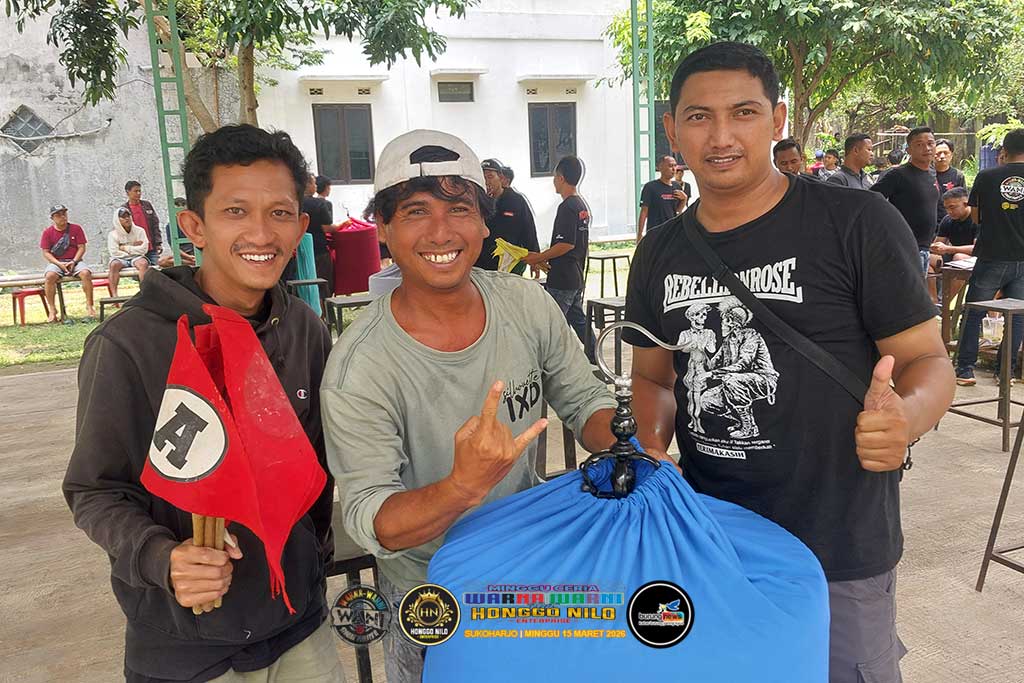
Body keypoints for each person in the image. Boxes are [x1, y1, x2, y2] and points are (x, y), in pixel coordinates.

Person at [626, 41, 954, 683]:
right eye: (699, 117)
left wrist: (907, 418)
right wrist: (652, 443)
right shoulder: (659, 252)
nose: (721, 136)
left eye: (743, 113)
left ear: (777, 119)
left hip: (838, 543)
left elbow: (927, 360)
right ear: (672, 129)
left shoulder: (855, 221)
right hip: (711, 534)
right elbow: (653, 377)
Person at [320, 129, 621, 683]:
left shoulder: (525, 303)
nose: (441, 232)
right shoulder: (359, 367)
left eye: (459, 209)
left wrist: (629, 448)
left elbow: (585, 400)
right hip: (432, 594)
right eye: (416, 211)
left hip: (532, 572)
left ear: (485, 223)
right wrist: (462, 486)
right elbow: (373, 520)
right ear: (382, 227)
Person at [63, 124, 343, 683]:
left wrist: (313, 559)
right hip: (185, 648)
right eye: (235, 211)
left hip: (299, 626)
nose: (260, 232)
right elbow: (95, 490)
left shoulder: (304, 330)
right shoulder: (130, 344)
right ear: (195, 226)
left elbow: (317, 467)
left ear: (300, 227)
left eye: (280, 213)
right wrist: (161, 558)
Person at [954, 128, 1024, 386]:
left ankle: (965, 370)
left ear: (1004, 150)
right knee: (1017, 316)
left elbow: (976, 217)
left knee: (975, 311)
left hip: (992, 255)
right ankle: (1005, 373)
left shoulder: (986, 176)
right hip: (1023, 259)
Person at [522, 155, 595, 361]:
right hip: (575, 274)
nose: (553, 181)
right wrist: (545, 259)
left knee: (553, 324)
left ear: (561, 178)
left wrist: (539, 257)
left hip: (563, 278)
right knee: (578, 320)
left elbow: (566, 244)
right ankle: (595, 356)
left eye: (555, 177)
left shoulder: (567, 207)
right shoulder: (581, 205)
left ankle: (553, 365)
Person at [871, 127, 941, 274]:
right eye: (919, 144)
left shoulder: (932, 173)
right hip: (903, 249)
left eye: (930, 143)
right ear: (909, 150)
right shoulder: (898, 175)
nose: (926, 148)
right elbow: (871, 199)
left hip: (924, 249)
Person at [475, 158, 541, 274]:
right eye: (483, 178)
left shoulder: (516, 200)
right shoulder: (477, 201)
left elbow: (529, 229)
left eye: (490, 177)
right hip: (482, 265)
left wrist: (536, 257)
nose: (486, 182)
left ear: (500, 178)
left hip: (511, 264)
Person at [40, 204, 97, 321]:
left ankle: (90, 305)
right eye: (58, 215)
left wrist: (74, 261)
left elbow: (81, 247)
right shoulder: (47, 232)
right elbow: (46, 252)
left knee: (85, 273)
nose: (62, 217)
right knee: (50, 276)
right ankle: (52, 309)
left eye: (64, 214)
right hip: (57, 262)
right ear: (52, 218)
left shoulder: (76, 228)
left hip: (75, 260)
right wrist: (59, 264)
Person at [637, 155, 690, 240]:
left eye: (675, 165)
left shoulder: (677, 186)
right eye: (670, 166)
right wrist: (639, 234)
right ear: (660, 167)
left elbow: (677, 211)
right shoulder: (650, 187)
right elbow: (644, 212)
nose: (673, 169)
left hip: (672, 232)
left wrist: (684, 200)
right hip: (655, 232)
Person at [301, 173, 335, 297]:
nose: (316, 186)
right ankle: (323, 308)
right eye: (314, 183)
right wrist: (342, 225)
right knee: (323, 284)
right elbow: (327, 228)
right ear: (308, 184)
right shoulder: (319, 204)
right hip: (319, 249)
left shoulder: (294, 203)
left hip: (299, 250)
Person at [107, 207, 150, 297]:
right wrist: (133, 249)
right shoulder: (112, 234)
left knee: (143, 263)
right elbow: (114, 252)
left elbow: (144, 249)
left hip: (137, 257)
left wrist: (125, 248)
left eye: (128, 216)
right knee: (113, 265)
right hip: (120, 258)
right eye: (123, 217)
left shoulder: (140, 231)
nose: (127, 219)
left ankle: (145, 293)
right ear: (117, 220)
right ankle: (114, 296)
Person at [123, 180, 163, 268]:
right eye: (135, 191)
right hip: (136, 249)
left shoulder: (147, 205)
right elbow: (122, 230)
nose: (138, 193)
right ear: (128, 192)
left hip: (151, 247)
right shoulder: (124, 209)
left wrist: (158, 243)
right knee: (140, 270)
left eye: (139, 191)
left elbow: (155, 224)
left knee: (156, 269)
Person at [933, 138, 966, 226]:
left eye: (946, 153)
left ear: (951, 155)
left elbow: (963, 200)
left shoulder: (958, 175)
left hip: (951, 222)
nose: (942, 156)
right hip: (931, 222)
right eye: (938, 153)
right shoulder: (927, 174)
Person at [160, 196, 197, 268]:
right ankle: (192, 262)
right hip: (184, 255)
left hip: (196, 251)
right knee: (162, 261)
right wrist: (188, 257)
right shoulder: (170, 226)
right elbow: (174, 248)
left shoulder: (195, 222)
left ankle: (193, 262)